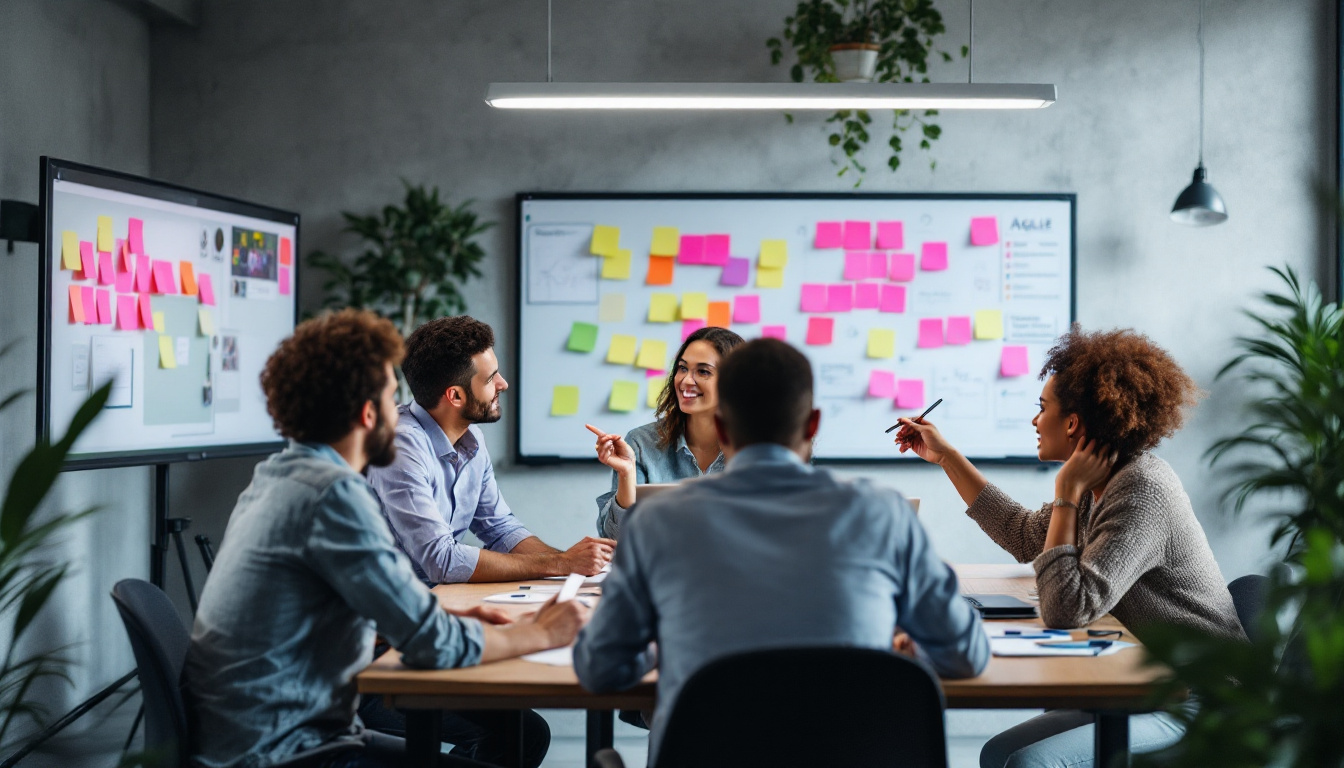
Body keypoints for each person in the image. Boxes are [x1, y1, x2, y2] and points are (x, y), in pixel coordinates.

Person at [184, 309, 589, 768]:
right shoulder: (333, 495)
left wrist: (432, 612)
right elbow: (434, 643)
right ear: (368, 412)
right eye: (393, 396)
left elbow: (332, 605)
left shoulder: (280, 476)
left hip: (258, 730)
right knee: (518, 736)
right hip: (291, 749)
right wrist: (539, 632)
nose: (400, 414)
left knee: (518, 732)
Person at [573, 338, 989, 764]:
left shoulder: (657, 523)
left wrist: (667, 639)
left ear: (721, 426)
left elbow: (600, 666)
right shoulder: (883, 515)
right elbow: (966, 654)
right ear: (812, 425)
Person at [893, 326, 1245, 768]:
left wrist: (1065, 491)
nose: (1035, 421)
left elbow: (1067, 609)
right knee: (998, 753)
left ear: (1073, 422)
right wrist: (947, 456)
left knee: (1028, 763)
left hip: (1200, 700)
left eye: (1042, 409)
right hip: (1145, 683)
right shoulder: (1099, 482)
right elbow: (1024, 535)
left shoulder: (1141, 491)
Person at [367, 316, 615, 583]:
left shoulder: (472, 437)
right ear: (456, 396)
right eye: (490, 379)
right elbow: (443, 560)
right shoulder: (398, 447)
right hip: (382, 613)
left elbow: (500, 529)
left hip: (432, 599)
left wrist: (578, 567)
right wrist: (561, 563)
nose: (503, 384)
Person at [588, 326, 744, 538]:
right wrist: (626, 475)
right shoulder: (641, 443)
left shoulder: (757, 447)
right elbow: (617, 540)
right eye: (682, 368)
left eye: (703, 371)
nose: (686, 381)